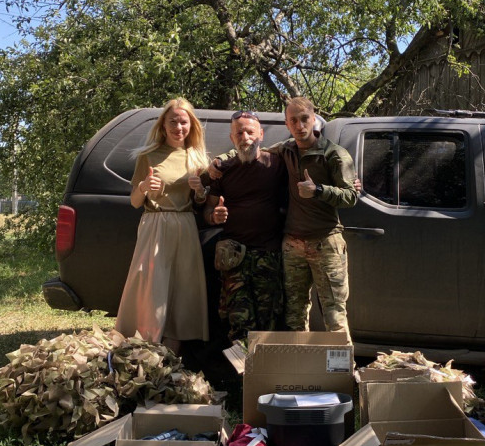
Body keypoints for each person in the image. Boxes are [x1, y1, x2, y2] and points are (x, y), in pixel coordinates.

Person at [116, 98, 211, 348]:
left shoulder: (198, 158)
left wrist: (200, 191)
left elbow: (200, 203)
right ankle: (145, 347)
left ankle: (172, 354)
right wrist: (144, 187)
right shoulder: (148, 156)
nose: (179, 127)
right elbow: (135, 202)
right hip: (155, 224)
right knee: (152, 289)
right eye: (173, 122)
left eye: (183, 122)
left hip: (185, 225)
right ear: (163, 125)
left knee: (182, 290)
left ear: (191, 125)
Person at [203, 111, 286, 342]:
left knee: (268, 323)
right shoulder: (222, 169)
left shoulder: (277, 164)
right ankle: (241, 366)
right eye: (239, 133)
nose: (245, 137)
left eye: (250, 131)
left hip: (268, 256)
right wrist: (214, 217)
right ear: (232, 138)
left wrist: (350, 182)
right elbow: (207, 210)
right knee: (238, 323)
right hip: (234, 259)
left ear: (261, 134)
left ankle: (264, 365)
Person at [277, 97, 358, 335]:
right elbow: (252, 150)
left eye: (304, 119)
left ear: (314, 119)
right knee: (294, 314)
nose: (299, 125)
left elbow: (351, 197)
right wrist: (218, 162)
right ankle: (300, 360)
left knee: (334, 315)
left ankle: (341, 361)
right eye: (293, 120)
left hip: (326, 242)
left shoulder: (334, 154)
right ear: (287, 124)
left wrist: (319, 190)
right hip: (293, 243)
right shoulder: (286, 150)